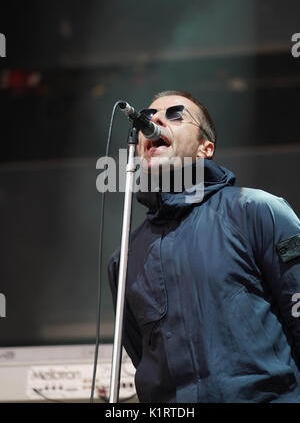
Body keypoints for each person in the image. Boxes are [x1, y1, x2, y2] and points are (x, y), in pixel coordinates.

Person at [108, 89, 300, 403]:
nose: (154, 119)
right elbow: (141, 355)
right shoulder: (124, 260)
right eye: (149, 114)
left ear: (204, 148)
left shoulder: (257, 211)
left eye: (175, 115)